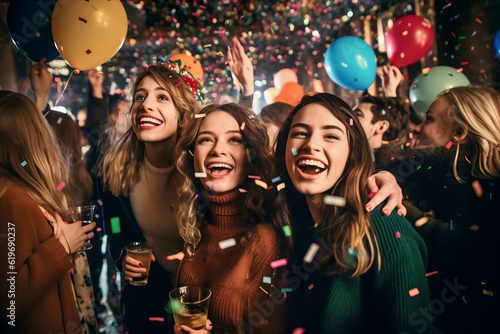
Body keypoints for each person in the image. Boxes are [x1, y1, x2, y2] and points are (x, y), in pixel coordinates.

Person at [97, 36, 255, 334]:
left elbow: (241, 155)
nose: (146, 105)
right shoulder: (116, 170)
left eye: (162, 97)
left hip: (205, 305)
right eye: (140, 97)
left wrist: (245, 93)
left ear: (183, 111)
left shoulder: (203, 166)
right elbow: (115, 228)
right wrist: (123, 256)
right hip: (149, 308)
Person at [274, 93, 438, 333]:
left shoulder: (384, 226)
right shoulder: (292, 219)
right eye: (300, 133)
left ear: (353, 153)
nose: (311, 144)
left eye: (331, 136)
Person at [388, 85, 500, 333]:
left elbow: (474, 248)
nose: (417, 128)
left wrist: (403, 211)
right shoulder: (436, 176)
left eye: (429, 119)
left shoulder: (489, 193)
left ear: (458, 132)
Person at [173, 103, 290, 333]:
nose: (218, 150)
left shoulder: (264, 239)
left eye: (234, 140)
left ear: (250, 156)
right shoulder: (194, 227)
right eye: (206, 139)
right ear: (192, 155)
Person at [0, 91, 96, 333]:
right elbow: (9, 302)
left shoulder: (20, 187)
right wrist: (62, 245)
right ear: (33, 137)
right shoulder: (11, 200)